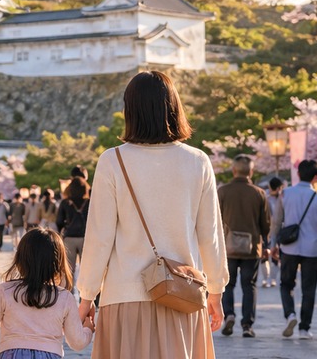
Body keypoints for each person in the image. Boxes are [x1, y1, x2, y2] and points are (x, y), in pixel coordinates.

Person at [77, 71, 227, 357]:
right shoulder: (197, 161)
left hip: (123, 296)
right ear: (174, 107)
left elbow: (99, 237)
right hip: (182, 296)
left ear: (130, 109)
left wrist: (87, 295)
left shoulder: (113, 161)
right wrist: (216, 290)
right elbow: (211, 235)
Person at [0, 228, 93, 358]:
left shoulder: (5, 291)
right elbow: (77, 343)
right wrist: (88, 329)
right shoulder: (64, 298)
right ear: (58, 263)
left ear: (20, 259)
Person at [277, 160, 317, 339]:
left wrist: (271, 245)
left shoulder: (285, 193)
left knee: (286, 284)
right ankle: (304, 328)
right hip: (312, 248)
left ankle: (290, 314)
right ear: (315, 178)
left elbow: (277, 222)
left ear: (298, 174)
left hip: (289, 247)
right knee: (309, 289)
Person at [217, 155, 270, 339]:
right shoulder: (259, 193)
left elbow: (214, 220)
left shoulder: (222, 192)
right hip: (252, 247)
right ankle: (247, 324)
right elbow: (265, 224)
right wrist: (266, 243)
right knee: (249, 285)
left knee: (228, 284)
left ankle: (229, 314)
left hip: (227, 247)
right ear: (251, 172)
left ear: (234, 170)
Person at [55, 177, 89, 287]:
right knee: (86, 270)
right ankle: (85, 299)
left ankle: (68, 295)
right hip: (85, 238)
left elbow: (59, 221)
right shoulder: (89, 202)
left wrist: (62, 231)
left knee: (68, 271)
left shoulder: (65, 202)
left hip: (69, 238)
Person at [262, 177, 285, 288]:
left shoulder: (268, 199)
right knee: (267, 255)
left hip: (271, 231)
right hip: (274, 231)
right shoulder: (270, 199)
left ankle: (270, 279)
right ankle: (269, 279)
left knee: (273, 256)